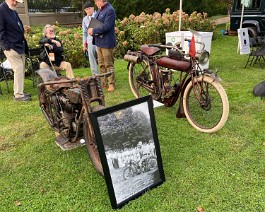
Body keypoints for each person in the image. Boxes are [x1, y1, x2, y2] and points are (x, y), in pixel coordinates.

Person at [0, 0, 31, 102]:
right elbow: (1, 31)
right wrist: (7, 46)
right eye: (14, 1)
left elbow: (18, 26)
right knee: (18, 69)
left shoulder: (12, 10)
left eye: (17, 1)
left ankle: (20, 91)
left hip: (19, 46)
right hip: (11, 47)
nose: (15, 3)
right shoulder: (1, 10)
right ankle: (18, 95)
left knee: (20, 69)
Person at [88, 0, 116, 92]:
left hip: (107, 42)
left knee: (108, 64)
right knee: (101, 64)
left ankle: (111, 84)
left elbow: (107, 26)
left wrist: (94, 30)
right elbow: (95, 22)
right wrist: (91, 29)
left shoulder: (110, 10)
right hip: (99, 41)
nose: (95, 3)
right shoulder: (99, 10)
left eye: (96, 1)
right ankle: (103, 83)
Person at [82, 2, 98, 75]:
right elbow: (84, 32)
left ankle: (104, 76)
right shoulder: (85, 19)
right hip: (90, 41)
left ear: (93, 8)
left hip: (99, 40)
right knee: (92, 59)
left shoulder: (98, 15)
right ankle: (95, 76)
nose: (88, 11)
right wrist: (84, 43)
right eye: (86, 9)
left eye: (89, 9)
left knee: (101, 59)